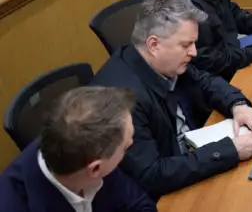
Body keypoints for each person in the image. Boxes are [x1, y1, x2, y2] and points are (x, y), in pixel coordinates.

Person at [91, 0, 252, 200]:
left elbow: (205, 81)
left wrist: (238, 105)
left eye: (194, 43)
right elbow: (152, 175)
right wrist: (229, 151)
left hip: (190, 156)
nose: (194, 52)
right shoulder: (123, 101)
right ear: (154, 45)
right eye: (186, 45)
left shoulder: (161, 61)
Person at [0, 86, 157, 211]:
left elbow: (141, 204)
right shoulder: (13, 205)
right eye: (125, 147)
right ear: (95, 168)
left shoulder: (89, 148)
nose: (131, 143)